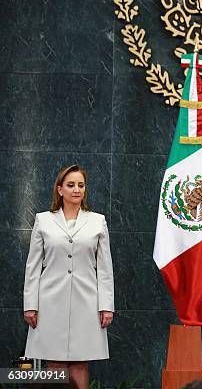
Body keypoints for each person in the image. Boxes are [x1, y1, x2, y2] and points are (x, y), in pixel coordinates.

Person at [23, 165, 114, 389]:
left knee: (80, 363)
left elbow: (104, 268)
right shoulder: (43, 220)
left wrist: (106, 306)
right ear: (59, 189)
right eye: (71, 185)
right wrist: (30, 305)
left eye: (81, 185)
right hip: (49, 301)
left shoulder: (97, 221)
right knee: (54, 362)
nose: (76, 190)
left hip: (87, 300)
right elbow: (33, 266)